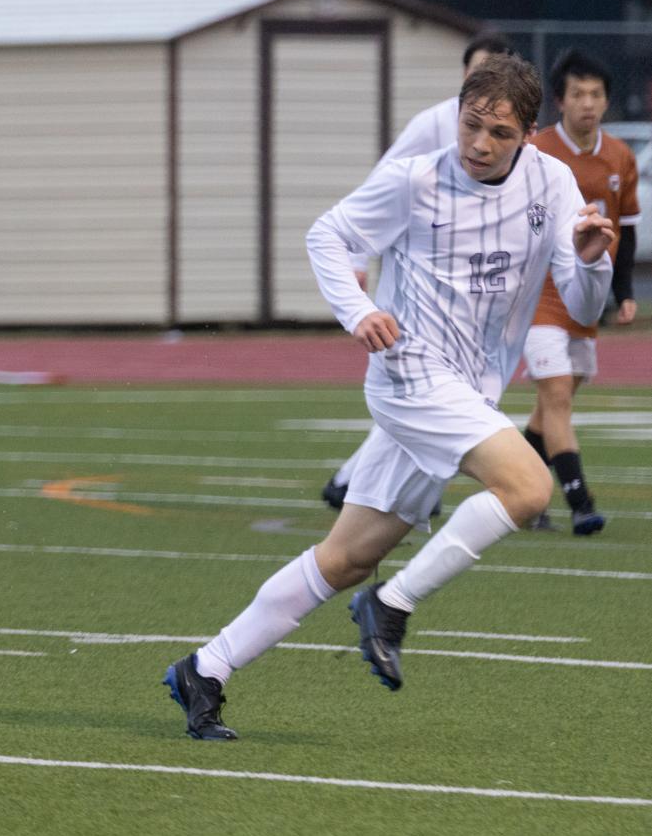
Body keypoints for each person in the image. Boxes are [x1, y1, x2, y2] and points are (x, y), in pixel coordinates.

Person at [166, 55, 614, 741]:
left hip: (466, 389)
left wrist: (588, 258)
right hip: (409, 377)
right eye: (470, 124)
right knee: (527, 488)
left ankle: (205, 667)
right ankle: (392, 604)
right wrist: (356, 310)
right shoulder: (416, 178)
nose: (478, 143)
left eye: (497, 132)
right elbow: (328, 234)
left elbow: (583, 301)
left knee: (343, 558)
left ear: (527, 133)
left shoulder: (551, 184)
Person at [321, 31, 516, 509]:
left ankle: (356, 485)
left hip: (472, 293)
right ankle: (364, 488)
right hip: (416, 286)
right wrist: (352, 264)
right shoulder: (435, 123)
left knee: (451, 393)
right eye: (474, 74)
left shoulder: (515, 140)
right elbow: (378, 187)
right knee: (421, 387)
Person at [519, 48, 638, 535]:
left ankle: (517, 485)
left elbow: (624, 230)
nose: (587, 103)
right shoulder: (538, 151)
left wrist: (624, 292)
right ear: (560, 102)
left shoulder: (619, 156)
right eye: (577, 94)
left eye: (596, 94)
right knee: (558, 396)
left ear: (606, 102)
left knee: (557, 398)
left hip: (585, 298)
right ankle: (580, 502)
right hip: (539, 295)